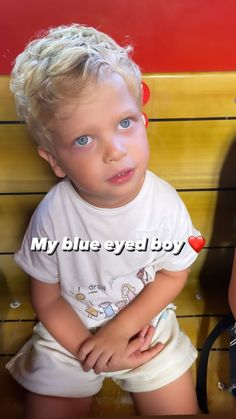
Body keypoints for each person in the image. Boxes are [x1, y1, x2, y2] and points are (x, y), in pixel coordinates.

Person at [6, 24, 201, 418]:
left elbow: (172, 276)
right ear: (55, 160)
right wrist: (88, 348)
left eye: (124, 123)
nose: (114, 151)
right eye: (83, 139)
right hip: (70, 336)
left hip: (147, 323)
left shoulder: (163, 205)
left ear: (143, 122)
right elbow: (48, 297)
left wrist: (119, 330)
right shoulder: (53, 217)